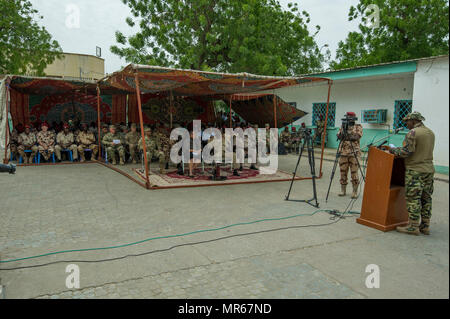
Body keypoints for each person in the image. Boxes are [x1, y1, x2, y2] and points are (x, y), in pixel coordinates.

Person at [389, 112, 435, 236]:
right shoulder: (430, 133)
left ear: (413, 121)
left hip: (415, 171)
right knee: (426, 198)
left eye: (407, 121)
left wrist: (393, 150)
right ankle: (425, 226)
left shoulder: (413, 133)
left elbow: (406, 152)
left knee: (413, 198)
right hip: (429, 170)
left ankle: (413, 226)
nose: (406, 124)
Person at [337, 112, 363, 199]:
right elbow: (339, 136)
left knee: (354, 173)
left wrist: (346, 136)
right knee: (342, 172)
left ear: (353, 118)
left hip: (354, 154)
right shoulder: (343, 126)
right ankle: (343, 190)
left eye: (349, 118)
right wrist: (344, 132)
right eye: (347, 117)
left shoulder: (358, 126)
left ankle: (354, 191)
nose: (348, 119)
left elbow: (356, 137)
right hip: (343, 153)